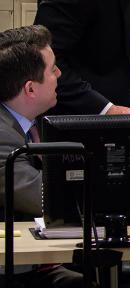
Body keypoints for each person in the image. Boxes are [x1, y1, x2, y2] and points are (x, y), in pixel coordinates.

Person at [0, 25, 82, 287]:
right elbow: (42, 197)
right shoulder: (2, 135)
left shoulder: (31, 126)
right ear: (30, 89)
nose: (59, 74)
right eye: (53, 69)